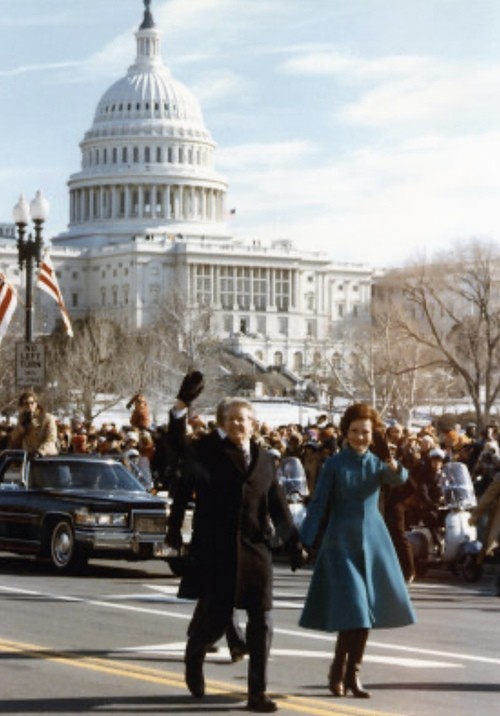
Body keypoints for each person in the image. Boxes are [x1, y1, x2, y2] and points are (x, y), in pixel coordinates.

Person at [167, 371, 305, 713]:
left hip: (256, 549)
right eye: (230, 419)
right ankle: (195, 652)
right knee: (215, 618)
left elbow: (278, 505)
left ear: (253, 424)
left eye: (243, 419)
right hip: (218, 550)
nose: (237, 424)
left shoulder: (266, 459)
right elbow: (177, 445)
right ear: (222, 424)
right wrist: (181, 407)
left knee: (262, 621)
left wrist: (293, 544)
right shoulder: (207, 452)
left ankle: (257, 692)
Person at [299, 403, 416, 699]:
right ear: (345, 432)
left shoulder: (378, 463)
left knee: (366, 612)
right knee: (355, 609)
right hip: (341, 543)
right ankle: (338, 670)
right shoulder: (334, 464)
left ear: (373, 434)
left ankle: (352, 674)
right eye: (354, 431)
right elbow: (319, 502)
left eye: (365, 432)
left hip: (374, 542)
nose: (359, 437)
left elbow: (399, 479)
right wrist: (303, 540)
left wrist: (394, 465)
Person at [9, 391, 58, 456]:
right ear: (22, 406)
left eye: (32, 403)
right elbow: (14, 438)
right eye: (26, 403)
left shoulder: (47, 418)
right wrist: (22, 427)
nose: (29, 406)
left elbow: (51, 439)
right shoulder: (22, 419)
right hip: (28, 456)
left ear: (36, 404)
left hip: (46, 456)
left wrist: (40, 451)